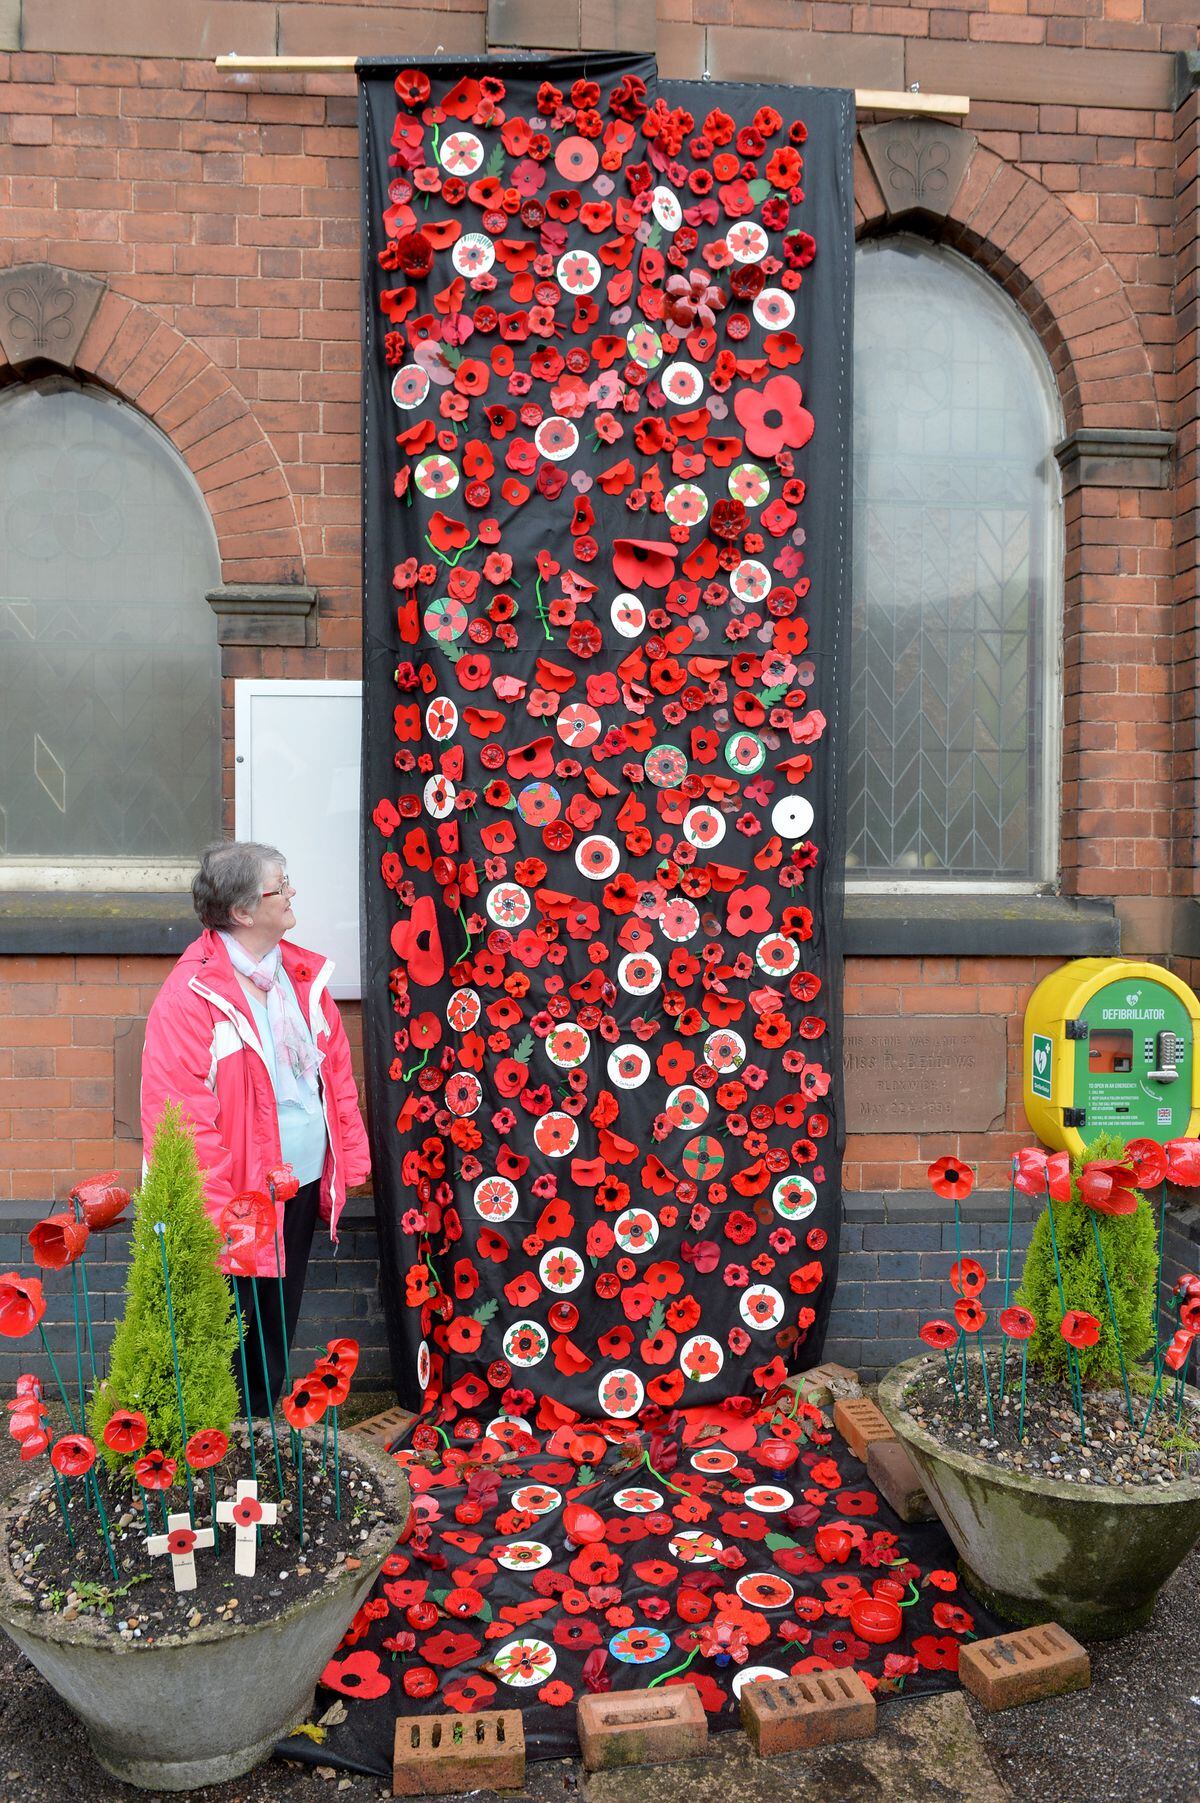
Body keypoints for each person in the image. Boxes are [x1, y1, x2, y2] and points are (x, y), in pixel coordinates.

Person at [140, 841, 371, 1412]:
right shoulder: (189, 998)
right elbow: (181, 1120)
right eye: (280, 884)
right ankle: (236, 1460)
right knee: (236, 1340)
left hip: (301, 1179)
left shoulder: (302, 976)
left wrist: (349, 1161)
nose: (292, 891)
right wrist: (221, 1216)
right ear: (243, 912)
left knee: (275, 1325)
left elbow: (335, 1078)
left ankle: (258, 1447)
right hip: (238, 1197)